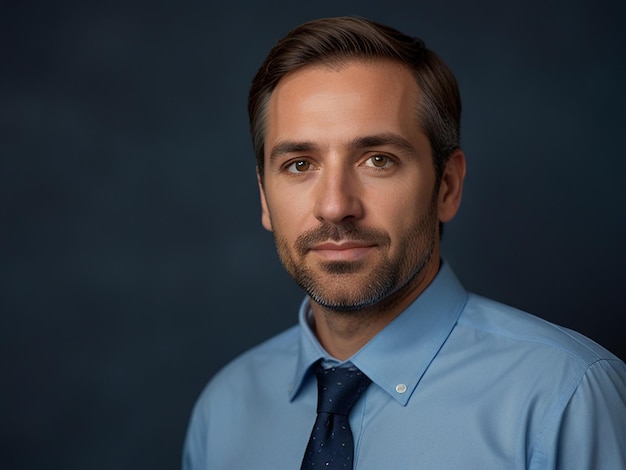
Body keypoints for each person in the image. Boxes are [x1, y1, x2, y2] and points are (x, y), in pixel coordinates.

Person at [183, 16, 626, 469]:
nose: (335, 206)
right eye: (300, 164)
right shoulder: (224, 411)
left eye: (379, 160)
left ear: (448, 186)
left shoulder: (566, 399)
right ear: (264, 196)